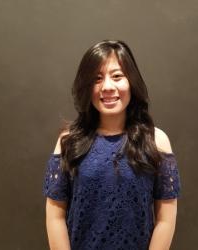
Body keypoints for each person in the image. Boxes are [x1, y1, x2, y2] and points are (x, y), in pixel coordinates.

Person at [42, 39, 181, 250]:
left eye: (117, 76)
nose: (107, 86)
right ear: (87, 87)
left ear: (131, 82)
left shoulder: (156, 140)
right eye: (97, 79)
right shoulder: (69, 141)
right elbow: (55, 216)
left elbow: (166, 219)